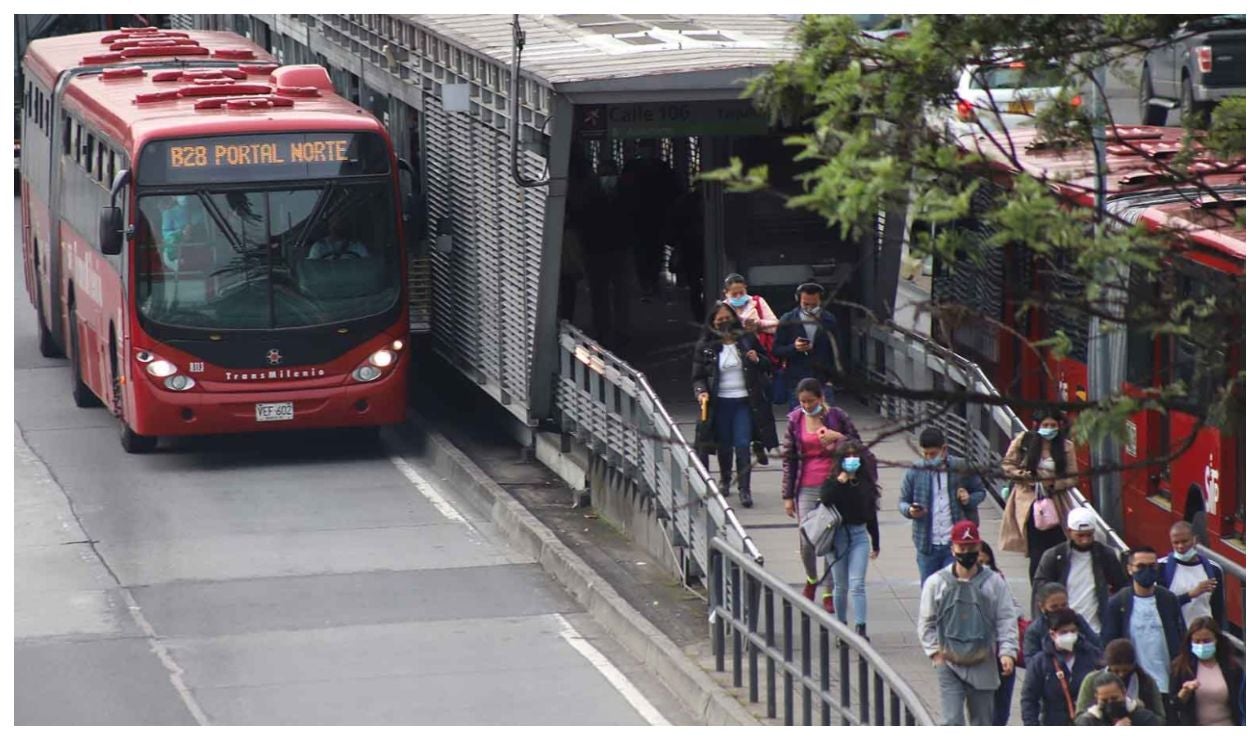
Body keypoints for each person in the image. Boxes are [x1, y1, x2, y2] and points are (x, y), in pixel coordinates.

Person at [782, 378, 871, 612]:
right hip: (806, 485)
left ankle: (829, 590)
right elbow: (789, 459)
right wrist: (788, 495)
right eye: (802, 401)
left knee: (832, 538)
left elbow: (857, 445)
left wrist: (837, 437)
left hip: (834, 484)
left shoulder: (837, 416)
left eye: (811, 401)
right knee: (807, 539)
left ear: (821, 398)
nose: (806, 406)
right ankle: (812, 578)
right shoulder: (795, 420)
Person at [918, 520, 1019, 726]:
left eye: (971, 547)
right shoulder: (936, 583)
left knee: (983, 722)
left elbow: (1006, 618)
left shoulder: (994, 582)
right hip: (949, 661)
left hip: (984, 660)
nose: (966, 553)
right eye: (962, 548)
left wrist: (1007, 652)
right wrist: (935, 653)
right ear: (953, 548)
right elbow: (926, 621)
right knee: (952, 721)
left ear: (979, 546)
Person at [692, 302, 778, 507]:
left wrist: (757, 359)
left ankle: (744, 489)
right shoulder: (705, 346)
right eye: (719, 320)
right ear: (712, 323)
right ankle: (725, 479)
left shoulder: (747, 339)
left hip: (745, 402)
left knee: (742, 443)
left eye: (727, 318)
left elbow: (768, 364)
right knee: (724, 444)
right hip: (719, 402)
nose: (724, 323)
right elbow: (698, 377)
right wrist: (701, 391)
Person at [998, 408, 1078, 587]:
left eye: (1053, 425)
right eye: (1045, 425)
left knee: (1058, 549)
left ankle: (1057, 587)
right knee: (1037, 553)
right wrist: (1024, 476)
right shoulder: (1024, 441)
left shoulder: (1066, 447)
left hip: (1056, 505)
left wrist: (1054, 484)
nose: (1049, 429)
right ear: (1037, 425)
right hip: (1029, 504)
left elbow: (1073, 477)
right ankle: (1038, 589)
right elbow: (1007, 465)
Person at [1101, 546, 1185, 714]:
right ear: (1129, 569)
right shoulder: (1118, 603)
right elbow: (1108, 643)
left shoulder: (1168, 599)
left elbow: (1181, 636)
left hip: (1167, 685)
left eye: (1152, 566)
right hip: (1133, 689)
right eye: (1140, 566)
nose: (1147, 571)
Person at [899, 427, 987, 584]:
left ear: (944, 450)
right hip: (927, 544)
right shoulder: (915, 471)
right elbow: (903, 502)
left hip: (955, 543)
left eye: (932, 454)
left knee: (953, 586)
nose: (928, 458)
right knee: (929, 588)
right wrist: (910, 510)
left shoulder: (961, 467)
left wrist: (968, 499)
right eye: (925, 454)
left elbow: (980, 491)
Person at [818, 439, 880, 639]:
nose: (852, 459)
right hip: (837, 538)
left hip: (859, 535)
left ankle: (861, 627)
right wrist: (839, 482)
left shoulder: (865, 483)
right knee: (840, 585)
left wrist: (876, 542)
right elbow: (825, 498)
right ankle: (841, 626)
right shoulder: (833, 481)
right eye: (847, 456)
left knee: (857, 583)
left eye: (855, 456)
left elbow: (871, 515)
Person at [1032, 508, 1127, 634]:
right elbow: (1040, 592)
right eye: (1080, 535)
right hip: (1061, 628)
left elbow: (1120, 586)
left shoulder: (1106, 555)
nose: (1085, 540)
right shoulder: (1053, 556)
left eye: (1089, 535)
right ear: (1069, 532)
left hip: (1097, 627)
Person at [576, 160, 633, 350]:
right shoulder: (623, 192)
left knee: (602, 293)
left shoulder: (588, 193)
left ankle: (609, 330)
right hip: (610, 249)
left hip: (601, 250)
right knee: (615, 292)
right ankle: (614, 329)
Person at [1021, 607, 1104, 725]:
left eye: (1073, 631)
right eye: (1064, 632)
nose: (1069, 636)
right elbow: (1029, 698)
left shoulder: (1092, 655)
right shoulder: (1040, 662)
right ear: (1052, 634)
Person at [617, 140, 676, 301]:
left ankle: (650, 283)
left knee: (649, 252)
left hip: (649, 217)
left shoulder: (634, 167)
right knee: (646, 252)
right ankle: (649, 283)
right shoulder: (659, 167)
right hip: (646, 217)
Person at [772, 283, 842, 409]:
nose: (810, 308)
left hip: (822, 379)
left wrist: (832, 378)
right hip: (797, 380)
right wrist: (794, 348)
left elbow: (837, 350)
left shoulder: (829, 320)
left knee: (826, 417)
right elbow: (776, 349)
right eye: (806, 304)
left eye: (814, 305)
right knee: (799, 418)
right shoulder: (788, 320)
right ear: (798, 300)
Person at [1168, 616, 1244, 726]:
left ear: (1216, 640)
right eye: (1197, 641)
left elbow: (1242, 701)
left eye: (1206, 641)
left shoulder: (1232, 667)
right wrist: (1185, 692)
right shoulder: (1180, 667)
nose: (1201, 645)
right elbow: (1174, 706)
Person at [1076, 639, 1167, 725]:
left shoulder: (1146, 681)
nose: (1121, 674)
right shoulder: (1091, 680)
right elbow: (1079, 718)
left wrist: (1137, 715)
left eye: (1126, 670)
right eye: (1116, 671)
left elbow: (1160, 718)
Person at [978, 542, 1018, 726]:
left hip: (1001, 651)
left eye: (985, 561)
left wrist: (1007, 652)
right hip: (977, 656)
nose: (983, 566)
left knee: (1001, 710)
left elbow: (1012, 611)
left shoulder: (998, 580)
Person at [1159, 521, 1224, 627]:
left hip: (1204, 632)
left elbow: (1218, 608)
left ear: (1195, 540)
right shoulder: (1161, 567)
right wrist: (1190, 595)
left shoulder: (1214, 569)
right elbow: (1161, 606)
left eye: (1185, 541)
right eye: (1175, 543)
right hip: (1176, 632)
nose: (1180, 546)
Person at [1024, 581, 1103, 665]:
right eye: (1054, 607)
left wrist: (1080, 643)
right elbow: (1030, 661)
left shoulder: (1077, 620)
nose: (1060, 610)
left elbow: (1097, 646)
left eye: (1064, 605)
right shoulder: (1035, 629)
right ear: (1042, 607)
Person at [1074, 670, 1163, 726]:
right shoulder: (1087, 722)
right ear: (1096, 698)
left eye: (1114, 698)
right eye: (1104, 700)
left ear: (1124, 693)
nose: (1110, 703)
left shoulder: (1144, 718)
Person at [159, 194, 208, 269]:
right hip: (178, 251)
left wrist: (193, 229)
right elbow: (166, 234)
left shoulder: (200, 212)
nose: (184, 196)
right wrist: (181, 233)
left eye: (187, 194)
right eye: (179, 194)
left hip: (198, 249)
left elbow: (206, 232)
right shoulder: (169, 213)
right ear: (173, 197)